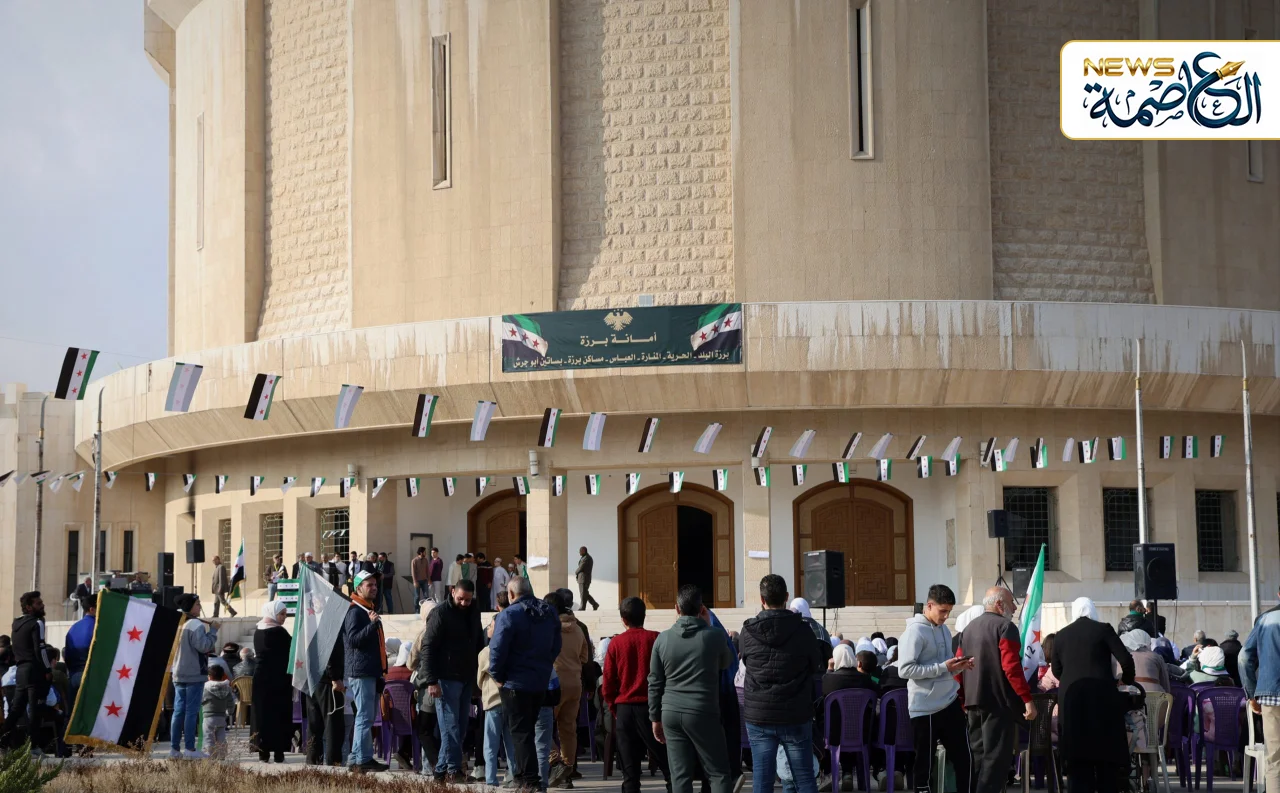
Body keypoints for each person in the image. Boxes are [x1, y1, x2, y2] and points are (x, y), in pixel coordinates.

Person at [740, 575, 826, 793]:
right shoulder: (803, 630)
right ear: (787, 597)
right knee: (804, 778)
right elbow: (814, 664)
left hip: (760, 714)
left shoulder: (748, 631)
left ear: (762, 600)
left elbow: (747, 662)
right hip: (794, 711)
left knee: (762, 780)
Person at [648, 584, 732, 793]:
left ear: (677, 608)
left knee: (680, 776)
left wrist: (655, 717)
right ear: (702, 608)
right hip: (703, 710)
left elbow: (655, 682)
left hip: (670, 711)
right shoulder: (714, 636)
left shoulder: (662, 639)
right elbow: (726, 663)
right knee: (718, 773)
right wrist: (707, 624)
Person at [956, 587, 1036, 793]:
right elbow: (1011, 667)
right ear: (999, 604)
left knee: (978, 757)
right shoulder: (1005, 627)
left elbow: (958, 668)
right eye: (1011, 602)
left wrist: (963, 699)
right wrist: (1027, 699)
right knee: (996, 760)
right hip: (998, 703)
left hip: (973, 703)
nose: (1015, 607)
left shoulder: (968, 629)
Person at [1051, 597, 1134, 793]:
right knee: (1106, 754)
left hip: (1072, 699)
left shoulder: (1061, 635)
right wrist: (1126, 680)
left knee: (1077, 758)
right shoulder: (1103, 629)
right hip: (1102, 697)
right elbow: (1126, 660)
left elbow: (1056, 669)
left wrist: (1073, 680)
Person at [899, 584, 974, 793]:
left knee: (964, 758)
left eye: (949, 611)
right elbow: (904, 670)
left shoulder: (944, 630)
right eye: (943, 611)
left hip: (949, 701)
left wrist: (958, 666)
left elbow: (944, 666)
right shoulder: (914, 631)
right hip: (925, 708)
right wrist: (943, 667)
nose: (946, 616)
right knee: (924, 764)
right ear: (929, 606)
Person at [490, 575, 562, 791]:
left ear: (511, 594)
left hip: (515, 682)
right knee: (526, 731)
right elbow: (556, 645)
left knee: (521, 733)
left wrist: (497, 675)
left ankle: (530, 781)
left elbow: (497, 648)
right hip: (539, 681)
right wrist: (544, 666)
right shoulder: (549, 612)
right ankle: (522, 778)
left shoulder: (509, 614)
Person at [603, 596, 672, 793]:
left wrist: (614, 708)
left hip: (625, 708)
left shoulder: (616, 643)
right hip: (653, 708)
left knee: (630, 773)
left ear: (623, 619)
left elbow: (608, 682)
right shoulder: (656, 638)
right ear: (644, 616)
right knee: (669, 767)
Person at [423, 578, 484, 780]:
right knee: (450, 728)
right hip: (445, 679)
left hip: (466, 677)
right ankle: (453, 770)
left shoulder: (474, 612)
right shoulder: (440, 613)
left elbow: (478, 643)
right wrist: (432, 681)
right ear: (452, 592)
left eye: (468, 599)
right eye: (460, 599)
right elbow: (428, 647)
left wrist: (477, 678)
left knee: (461, 727)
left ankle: (441, 771)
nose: (464, 603)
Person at [345, 569, 389, 773]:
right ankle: (363, 759)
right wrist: (372, 625)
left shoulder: (367, 609)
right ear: (358, 588)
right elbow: (353, 640)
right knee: (364, 716)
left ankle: (356, 758)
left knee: (365, 717)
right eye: (369, 585)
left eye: (375, 585)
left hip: (369, 671)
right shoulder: (355, 611)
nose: (374, 588)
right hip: (361, 672)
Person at [548, 591, 591, 788]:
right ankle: (567, 770)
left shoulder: (550, 629)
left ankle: (555, 762)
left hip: (554, 683)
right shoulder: (578, 629)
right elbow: (585, 658)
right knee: (568, 729)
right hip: (575, 682)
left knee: (541, 725)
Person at [170, 594, 219, 759]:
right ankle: (190, 749)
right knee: (191, 712)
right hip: (194, 674)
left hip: (178, 673)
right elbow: (204, 646)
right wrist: (213, 631)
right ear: (190, 607)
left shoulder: (178, 623)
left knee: (178, 712)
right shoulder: (196, 624)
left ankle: (174, 749)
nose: (200, 607)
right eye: (197, 604)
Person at [1242, 586, 1280, 793]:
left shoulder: (1265, 620)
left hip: (1270, 694)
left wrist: (1252, 694)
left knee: (1275, 759)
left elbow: (1244, 658)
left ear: (1278, 594)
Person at [1, 591, 50, 752]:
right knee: (35, 709)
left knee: (17, 709)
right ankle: (33, 746)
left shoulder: (16, 623)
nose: (42, 605)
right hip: (34, 670)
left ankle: (2, 742)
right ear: (29, 607)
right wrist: (47, 669)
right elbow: (40, 649)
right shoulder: (37, 623)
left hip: (20, 670)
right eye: (38, 603)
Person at [479, 603, 517, 787]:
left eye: (491, 625)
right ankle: (513, 776)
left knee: (491, 744)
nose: (488, 628)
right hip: (510, 701)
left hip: (493, 702)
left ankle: (491, 778)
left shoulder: (486, 652)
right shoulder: (512, 650)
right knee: (511, 743)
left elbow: (480, 680)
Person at [252, 600, 292, 763]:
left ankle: (263, 752)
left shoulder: (258, 631)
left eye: (285, 614)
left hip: (261, 678)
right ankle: (278, 753)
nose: (284, 617)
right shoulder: (278, 632)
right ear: (272, 613)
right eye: (281, 614)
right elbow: (292, 648)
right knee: (278, 715)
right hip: (278, 679)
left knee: (262, 715)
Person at [305, 624, 346, 767]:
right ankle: (333, 763)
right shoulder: (330, 627)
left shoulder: (311, 627)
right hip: (327, 682)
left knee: (314, 724)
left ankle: (313, 761)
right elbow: (330, 653)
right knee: (333, 724)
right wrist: (335, 677)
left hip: (312, 679)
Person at [63, 596, 94, 706]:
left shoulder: (74, 628)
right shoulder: (97, 627)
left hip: (74, 676)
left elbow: (67, 655)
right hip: (91, 677)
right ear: (92, 609)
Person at [1120, 629, 1170, 694]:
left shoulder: (1121, 656)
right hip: (1154, 696)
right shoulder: (1156, 657)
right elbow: (1165, 685)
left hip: (1125, 694)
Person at [202, 665, 235, 759]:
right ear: (222, 676)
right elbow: (231, 702)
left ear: (209, 677)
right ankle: (221, 755)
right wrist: (230, 712)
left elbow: (201, 700)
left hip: (208, 717)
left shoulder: (206, 688)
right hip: (221, 717)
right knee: (221, 737)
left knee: (208, 737)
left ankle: (209, 755)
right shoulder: (226, 688)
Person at [575, 546, 599, 611]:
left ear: (584, 551)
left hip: (584, 579)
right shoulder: (584, 557)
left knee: (583, 594)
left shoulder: (587, 558)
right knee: (585, 593)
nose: (579, 552)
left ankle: (583, 607)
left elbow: (581, 568)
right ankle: (594, 604)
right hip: (582, 578)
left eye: (580, 551)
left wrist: (575, 572)